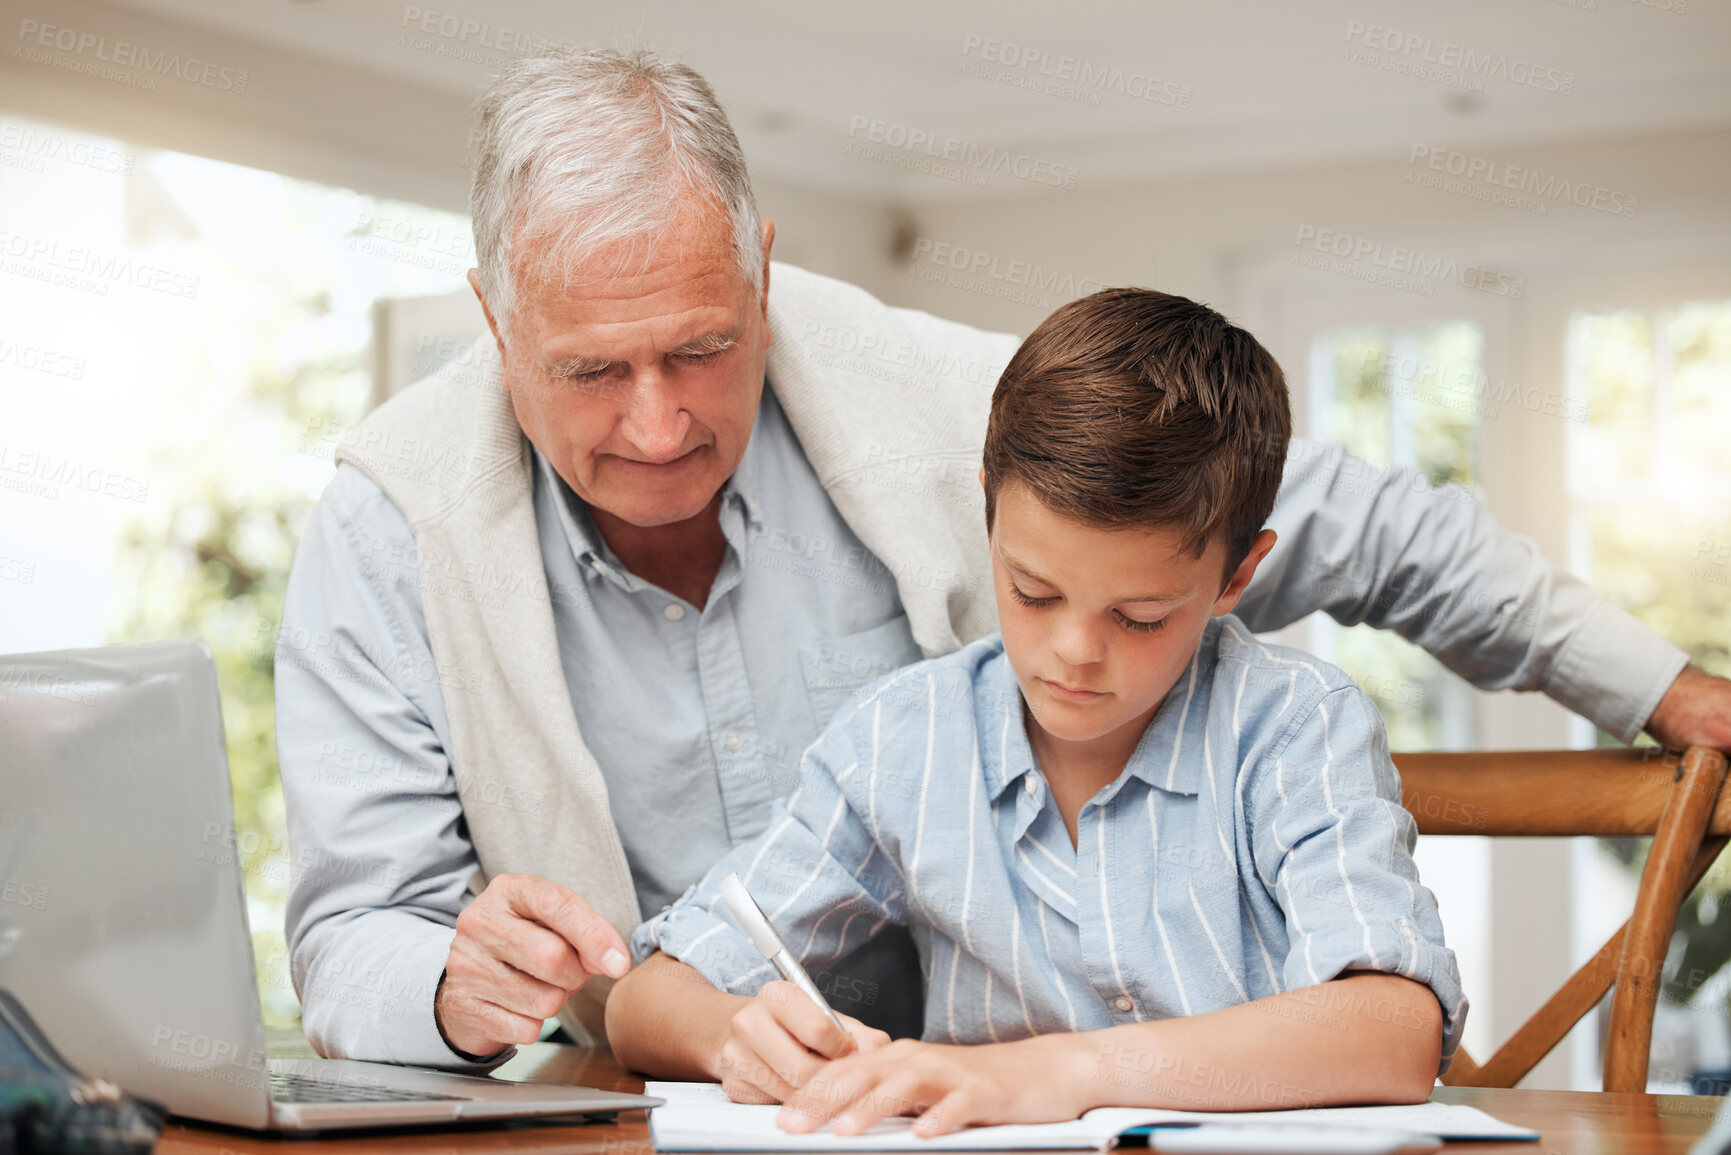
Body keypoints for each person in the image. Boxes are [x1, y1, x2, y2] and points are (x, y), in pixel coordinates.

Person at [275, 46, 1728, 1073]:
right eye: (592, 370)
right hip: (698, 1103)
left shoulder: (932, 401)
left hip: (974, 1096)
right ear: (491, 318)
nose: (658, 424)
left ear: (763, 273)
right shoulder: (388, 525)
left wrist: (1653, 680)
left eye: (703, 348)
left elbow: (1339, 513)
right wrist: (464, 988)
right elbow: (355, 937)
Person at [608, 288, 1460, 1133]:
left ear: (1236, 575)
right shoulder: (905, 740)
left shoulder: (1293, 726)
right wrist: (733, 1035)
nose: (1075, 651)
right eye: (1033, 591)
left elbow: (1393, 1029)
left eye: (1139, 616)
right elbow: (643, 1001)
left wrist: (1065, 1069)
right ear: (988, 507)